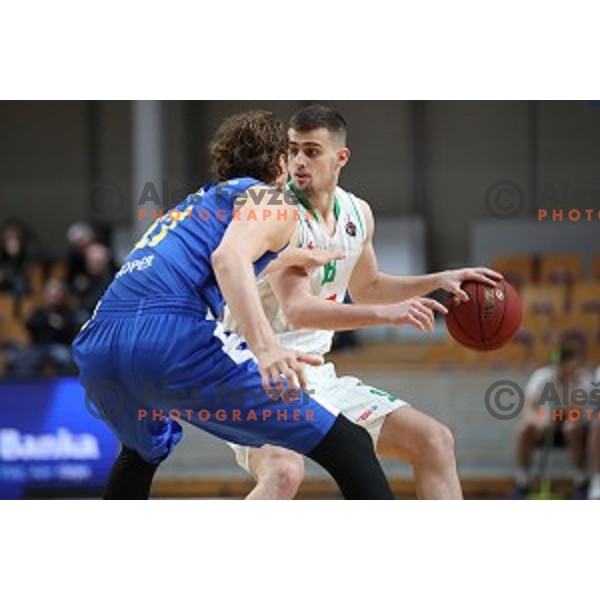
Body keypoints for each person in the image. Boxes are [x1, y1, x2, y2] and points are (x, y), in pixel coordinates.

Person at [72, 109, 395, 500]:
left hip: (99, 345)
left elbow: (229, 248)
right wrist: (266, 348)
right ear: (280, 164)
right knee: (351, 446)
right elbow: (228, 258)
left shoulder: (192, 206)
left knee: (140, 454)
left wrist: (290, 256)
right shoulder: (272, 201)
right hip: (173, 339)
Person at [224, 104, 503, 499]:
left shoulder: (358, 212)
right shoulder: (276, 212)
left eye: (312, 151)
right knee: (284, 473)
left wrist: (438, 280)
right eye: (292, 150)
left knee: (434, 441)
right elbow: (299, 309)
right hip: (259, 373)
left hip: (317, 373)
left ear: (341, 157)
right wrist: (387, 316)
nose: (299, 161)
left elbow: (369, 285)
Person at [511, 343, 590, 499]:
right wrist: (538, 421)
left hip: (572, 425)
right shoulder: (542, 377)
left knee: (572, 428)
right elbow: (528, 408)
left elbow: (579, 411)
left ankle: (581, 480)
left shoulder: (582, 379)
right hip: (545, 424)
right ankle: (523, 481)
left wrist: (571, 384)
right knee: (524, 428)